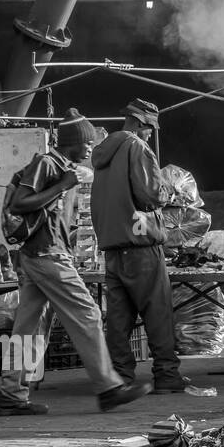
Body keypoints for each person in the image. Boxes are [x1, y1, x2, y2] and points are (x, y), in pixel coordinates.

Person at [0, 109, 152, 416]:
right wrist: (62, 185)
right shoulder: (47, 164)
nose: (91, 148)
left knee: (29, 329)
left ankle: (11, 395)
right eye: (87, 143)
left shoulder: (65, 168)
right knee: (88, 314)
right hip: (46, 256)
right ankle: (108, 388)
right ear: (73, 143)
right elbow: (19, 203)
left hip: (41, 257)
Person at [92, 98, 189, 393]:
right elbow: (150, 195)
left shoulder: (102, 152)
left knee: (118, 320)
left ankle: (120, 378)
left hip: (112, 249)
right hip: (141, 246)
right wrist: (169, 190)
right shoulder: (136, 146)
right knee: (157, 312)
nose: (150, 133)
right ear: (137, 122)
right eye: (148, 128)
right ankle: (167, 376)